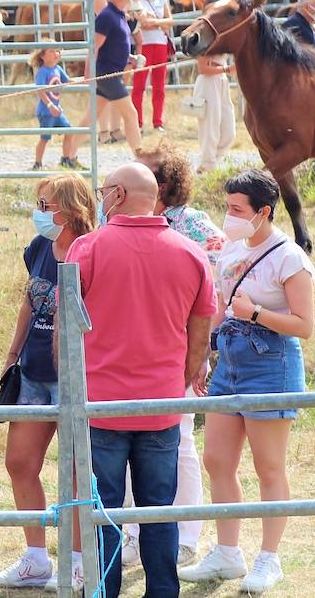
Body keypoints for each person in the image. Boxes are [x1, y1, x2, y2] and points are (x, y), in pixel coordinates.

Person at [62, 162, 214, 598]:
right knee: (158, 508)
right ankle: (163, 590)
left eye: (105, 189)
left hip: (101, 404)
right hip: (162, 404)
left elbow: (68, 327)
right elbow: (201, 325)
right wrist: (179, 379)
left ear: (120, 195)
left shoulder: (88, 249)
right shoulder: (190, 252)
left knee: (103, 510)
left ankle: (104, 590)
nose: (101, 196)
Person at [182, 170, 315, 594]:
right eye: (228, 208)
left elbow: (304, 325)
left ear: (264, 212)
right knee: (217, 460)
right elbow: (221, 310)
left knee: (268, 465)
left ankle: (269, 558)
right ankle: (227, 553)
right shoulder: (230, 251)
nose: (229, 216)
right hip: (230, 363)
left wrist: (255, 313)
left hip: (271, 365)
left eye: (237, 210)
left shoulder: (289, 258)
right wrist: (203, 353)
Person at [115, 146, 225, 570]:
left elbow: (214, 293)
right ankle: (131, 532)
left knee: (179, 441)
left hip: (177, 351)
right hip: (130, 349)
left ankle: (184, 535)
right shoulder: (118, 221)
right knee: (124, 442)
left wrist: (202, 353)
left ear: (161, 184)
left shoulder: (195, 225)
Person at [0, 173, 95, 590]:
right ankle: (36, 558)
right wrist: (13, 354)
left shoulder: (92, 250)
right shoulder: (38, 248)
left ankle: (80, 559)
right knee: (20, 462)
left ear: (70, 208)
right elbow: (31, 301)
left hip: (75, 375)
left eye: (46, 204)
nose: (39, 212)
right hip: (33, 370)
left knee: (74, 470)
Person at [66, 0, 144, 162]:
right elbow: (94, 47)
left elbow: (115, 46)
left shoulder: (119, 15)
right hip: (107, 74)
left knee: (90, 117)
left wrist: (132, 58)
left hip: (109, 73)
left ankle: (69, 156)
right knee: (131, 114)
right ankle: (141, 158)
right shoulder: (107, 16)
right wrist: (88, 74)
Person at [130, 0, 174, 132]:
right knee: (139, 84)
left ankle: (158, 121)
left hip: (161, 44)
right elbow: (143, 23)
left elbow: (170, 21)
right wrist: (159, 24)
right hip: (144, 45)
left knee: (159, 85)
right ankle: (138, 122)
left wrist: (156, 22)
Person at [90, 0, 127, 142]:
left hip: (116, 42)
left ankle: (115, 128)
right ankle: (103, 131)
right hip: (104, 41)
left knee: (114, 89)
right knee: (105, 88)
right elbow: (104, 11)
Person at [30, 45, 80, 170]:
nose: (55, 53)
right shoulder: (43, 72)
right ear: (43, 56)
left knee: (69, 131)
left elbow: (67, 80)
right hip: (46, 111)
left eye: (57, 51)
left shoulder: (57, 68)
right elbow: (41, 91)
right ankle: (37, 163)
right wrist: (50, 105)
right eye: (51, 51)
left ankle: (66, 159)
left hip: (57, 110)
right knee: (45, 138)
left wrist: (84, 81)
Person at [185, 52, 235, 173]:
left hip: (222, 79)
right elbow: (202, 68)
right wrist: (226, 69)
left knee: (229, 132)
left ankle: (209, 164)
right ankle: (208, 165)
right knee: (210, 127)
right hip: (208, 80)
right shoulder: (206, 37)